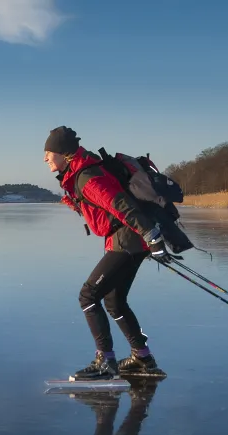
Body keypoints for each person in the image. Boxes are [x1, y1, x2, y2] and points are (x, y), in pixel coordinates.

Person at [44, 125, 174, 381]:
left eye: (48, 152)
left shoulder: (87, 176)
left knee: (88, 295)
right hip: (129, 240)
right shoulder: (81, 174)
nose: (45, 158)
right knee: (114, 301)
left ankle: (106, 361)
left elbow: (121, 206)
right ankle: (143, 358)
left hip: (128, 240)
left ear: (62, 153)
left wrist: (153, 237)